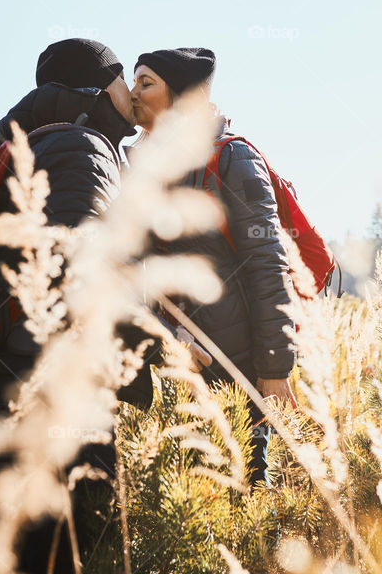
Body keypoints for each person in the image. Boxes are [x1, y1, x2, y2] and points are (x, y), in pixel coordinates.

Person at [0, 38, 142, 573]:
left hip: (4, 377)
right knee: (74, 544)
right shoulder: (80, 145)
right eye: (120, 76)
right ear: (91, 88)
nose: (131, 89)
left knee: (25, 546)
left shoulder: (37, 146)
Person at [129, 47, 298, 486]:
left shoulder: (231, 159)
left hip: (237, 370)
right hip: (180, 372)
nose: (133, 92)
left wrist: (275, 368)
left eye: (146, 82)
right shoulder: (149, 172)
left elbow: (267, 263)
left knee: (247, 496)